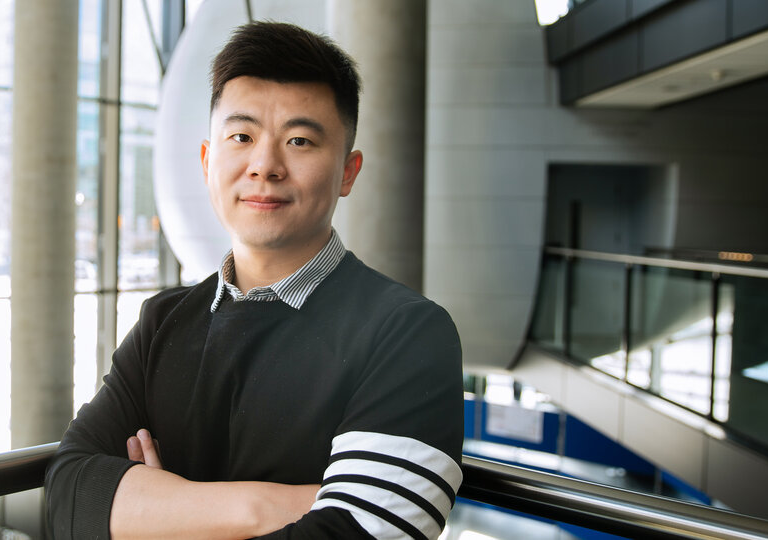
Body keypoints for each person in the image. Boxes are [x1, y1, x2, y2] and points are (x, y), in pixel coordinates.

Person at [45, 21, 463, 539]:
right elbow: (67, 495)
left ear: (348, 172)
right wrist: (266, 509)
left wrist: (160, 511)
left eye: (300, 140)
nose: (265, 165)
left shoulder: (408, 333)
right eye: (241, 136)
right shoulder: (163, 322)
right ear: (206, 160)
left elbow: (364, 532)